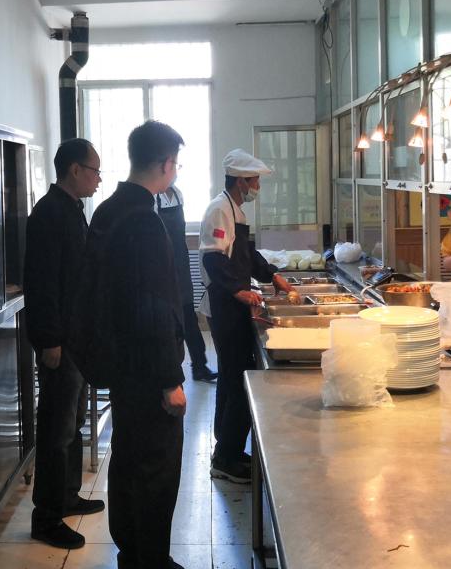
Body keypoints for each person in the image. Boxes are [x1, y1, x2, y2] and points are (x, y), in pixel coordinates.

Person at [83, 120, 188, 569]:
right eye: (175, 164)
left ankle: (132, 553)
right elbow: (153, 306)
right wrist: (170, 380)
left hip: (120, 364)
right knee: (156, 470)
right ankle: (150, 559)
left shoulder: (107, 211)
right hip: (147, 370)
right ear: (164, 164)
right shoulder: (144, 221)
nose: (175, 171)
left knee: (127, 458)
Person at [24, 138, 105, 549]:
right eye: (94, 171)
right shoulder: (48, 213)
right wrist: (50, 340)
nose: (98, 179)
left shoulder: (73, 209)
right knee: (56, 429)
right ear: (74, 169)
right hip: (60, 341)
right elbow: (41, 284)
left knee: (72, 424)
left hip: (77, 338)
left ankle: (68, 495)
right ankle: (46, 517)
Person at [199, 149, 294, 484]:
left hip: (233, 305)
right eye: (254, 181)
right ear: (240, 181)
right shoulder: (219, 209)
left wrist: (272, 275)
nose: (257, 187)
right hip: (224, 307)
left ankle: (228, 449)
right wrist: (238, 291)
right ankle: (225, 459)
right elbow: (212, 259)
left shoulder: (234, 209)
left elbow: (246, 255)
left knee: (233, 379)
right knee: (237, 380)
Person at [156, 184, 219, 382]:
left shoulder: (177, 193)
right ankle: (170, 373)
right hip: (163, 265)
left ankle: (199, 366)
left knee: (189, 318)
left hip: (181, 264)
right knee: (170, 321)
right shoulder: (153, 197)